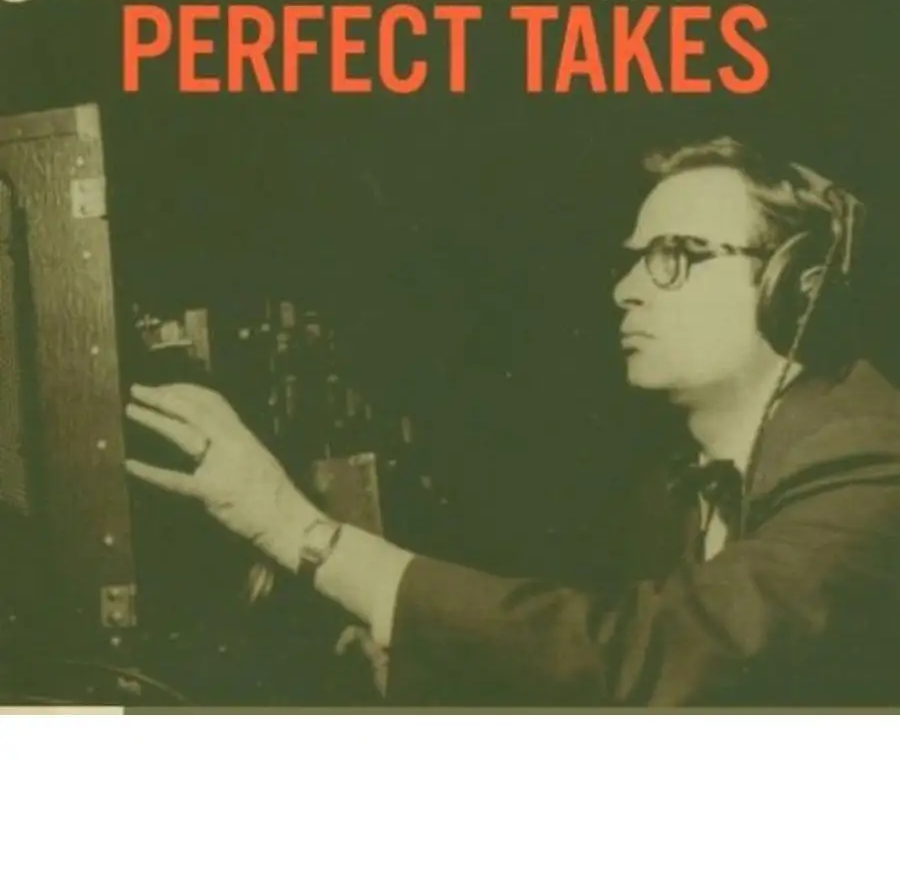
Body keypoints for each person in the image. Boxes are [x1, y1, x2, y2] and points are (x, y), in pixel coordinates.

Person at [125, 137, 900, 707]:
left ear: (794, 285)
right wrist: (429, 663)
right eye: (632, 259)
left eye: (674, 255)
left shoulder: (871, 461)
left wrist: (294, 526)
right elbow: (594, 672)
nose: (626, 290)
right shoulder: (673, 487)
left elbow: (655, 656)